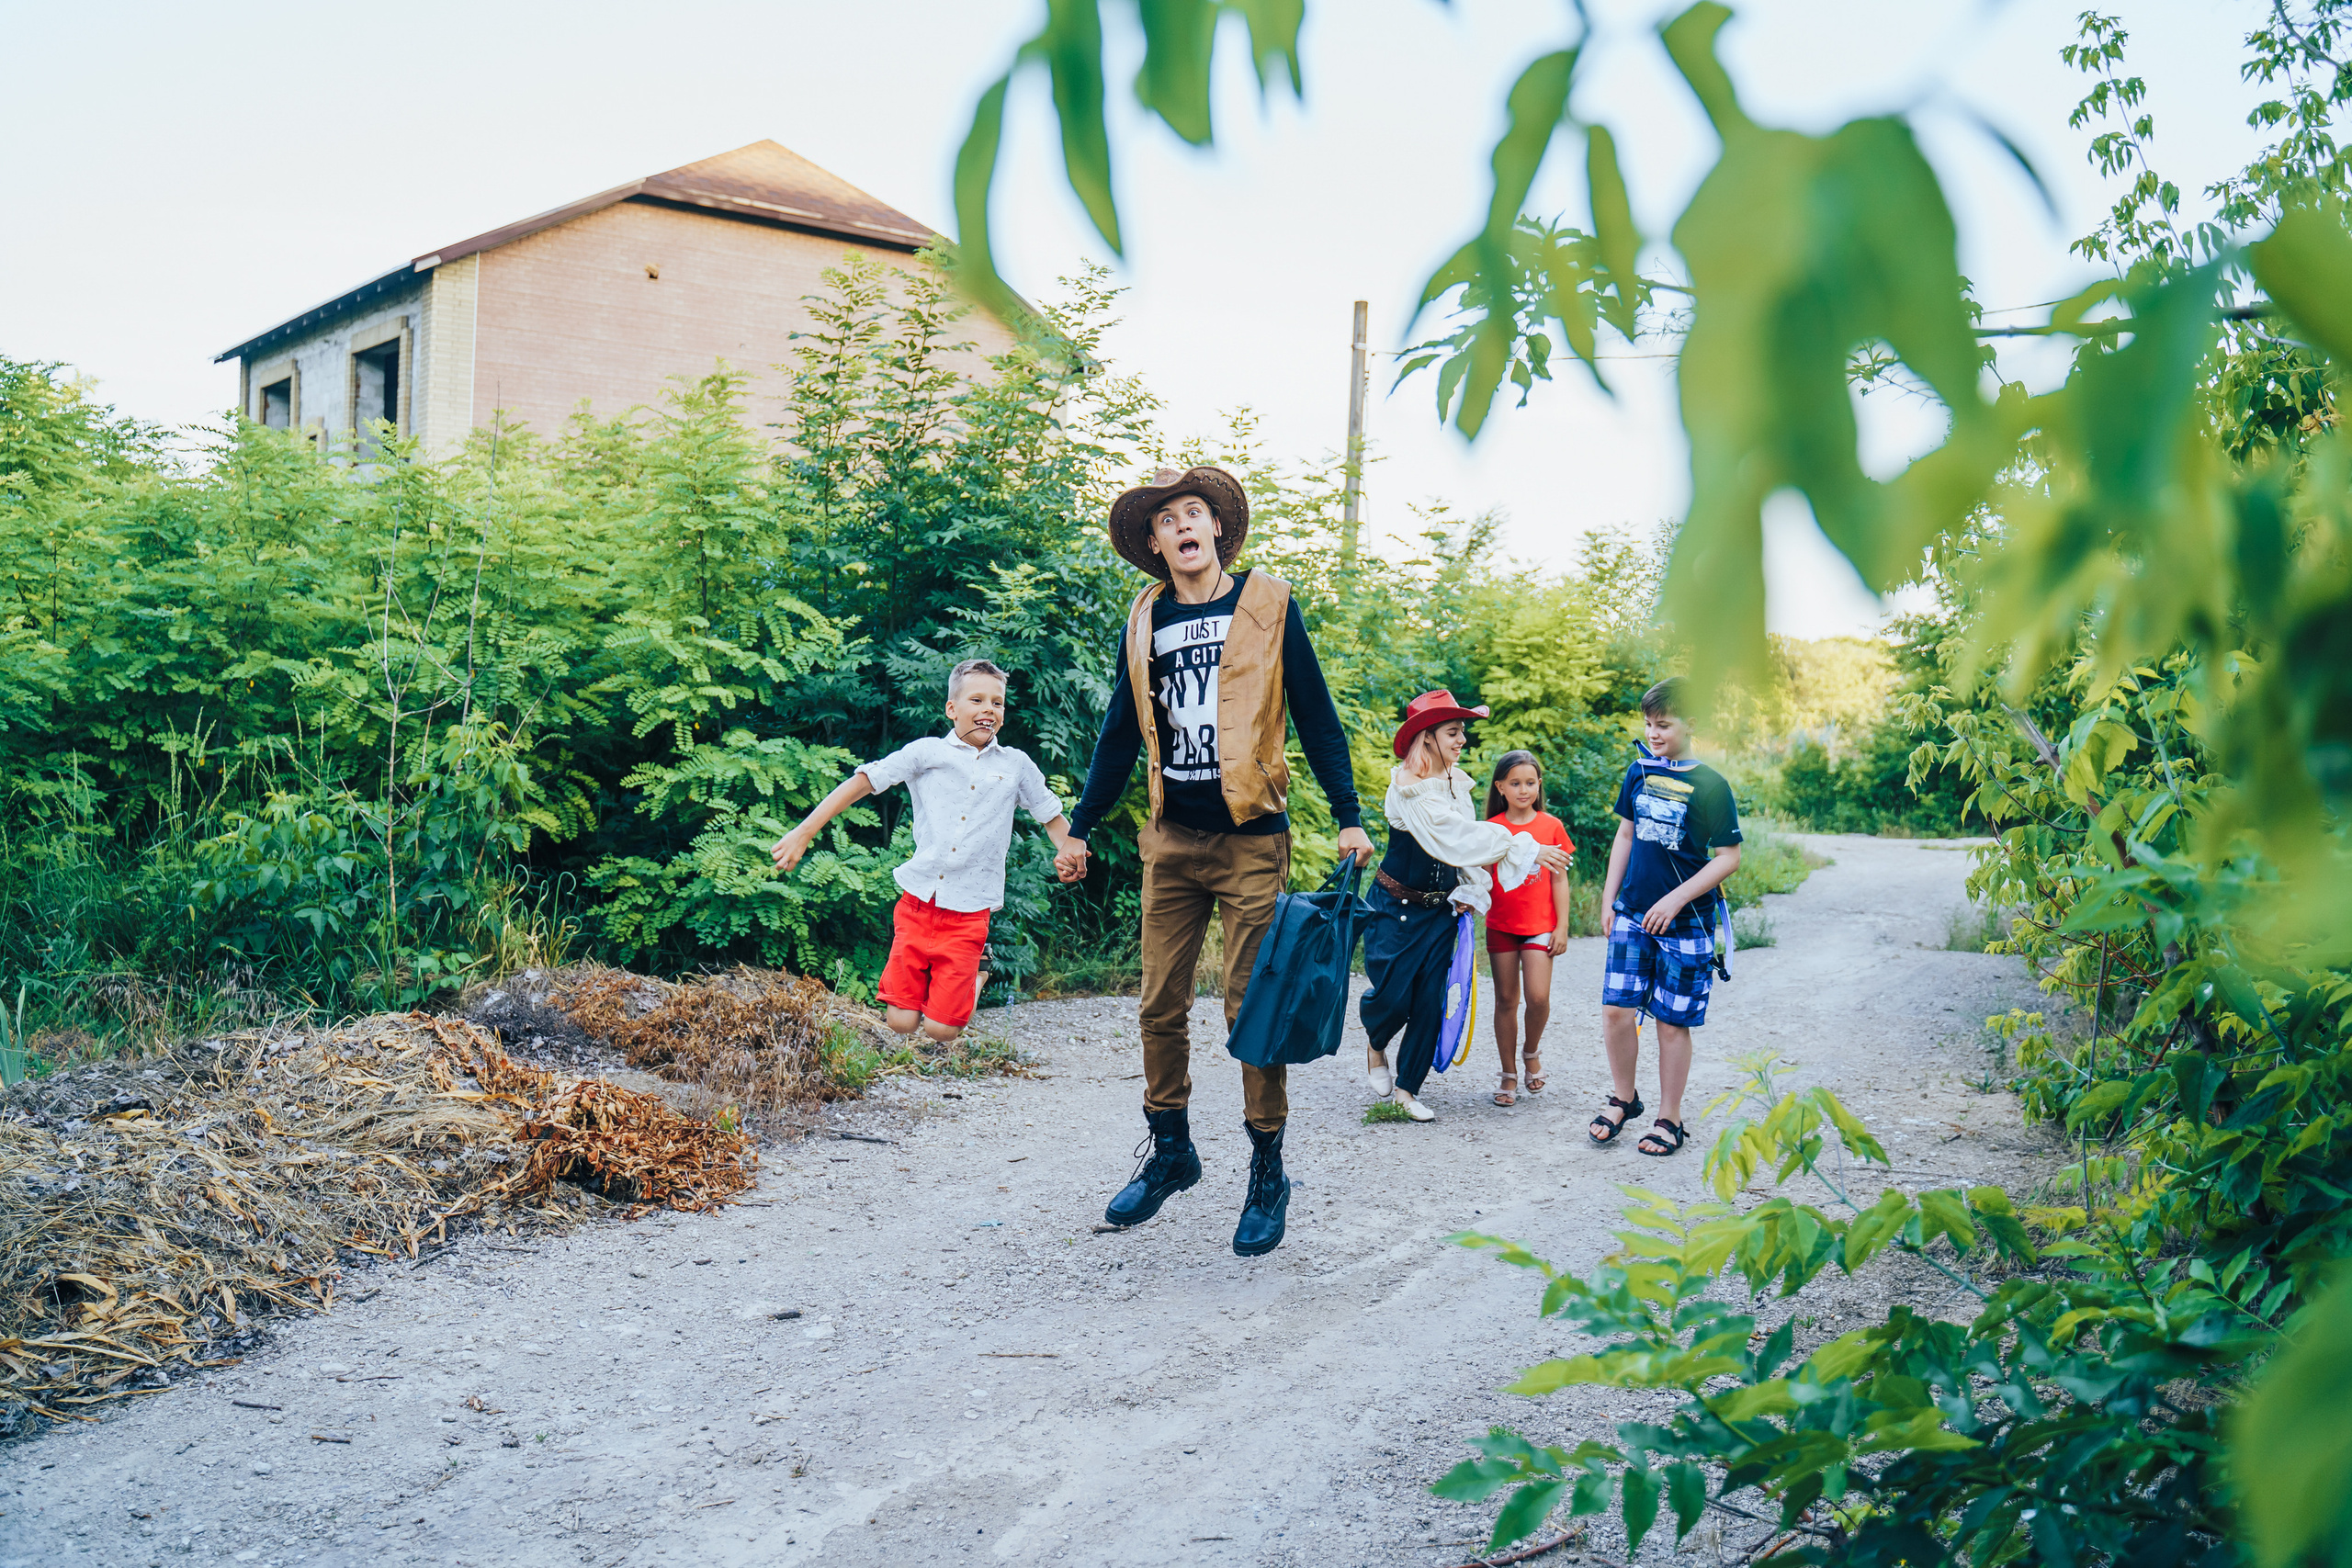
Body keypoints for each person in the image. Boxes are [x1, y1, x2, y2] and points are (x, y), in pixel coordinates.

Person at [1054, 466, 1374, 1258]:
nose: (1183, 526)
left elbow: (1317, 713)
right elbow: (1118, 734)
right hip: (1171, 840)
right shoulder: (1145, 619)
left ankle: (1268, 1166)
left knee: (1249, 1009)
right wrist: (1080, 827)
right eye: (1168, 520)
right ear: (1156, 544)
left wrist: (1349, 817)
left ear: (1218, 530)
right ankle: (1172, 1149)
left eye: (1194, 513)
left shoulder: (1267, 603)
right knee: (1158, 1003)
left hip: (1250, 840)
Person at [771, 659, 1078, 1043]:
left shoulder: (1015, 765)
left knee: (942, 1030)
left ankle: (978, 971)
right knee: (901, 1022)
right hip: (918, 902)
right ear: (952, 709)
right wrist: (804, 831)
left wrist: (1070, 849)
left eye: (997, 703)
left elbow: (1051, 815)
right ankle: (956, 982)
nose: (988, 710)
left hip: (969, 911)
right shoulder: (927, 752)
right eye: (977, 700)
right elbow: (865, 780)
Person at [1360, 694, 1573, 1122]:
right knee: (1394, 998)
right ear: (1428, 737)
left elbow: (1467, 855)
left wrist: (1470, 893)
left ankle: (1407, 1090)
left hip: (1441, 909)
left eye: (1462, 733)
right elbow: (1454, 837)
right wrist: (1524, 848)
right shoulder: (1407, 786)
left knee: (1430, 1000)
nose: (1462, 741)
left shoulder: (1459, 782)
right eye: (1453, 733)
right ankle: (1376, 1043)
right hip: (1397, 908)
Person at [1589, 676, 1743, 1157]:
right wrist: (1609, 899)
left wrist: (1675, 899)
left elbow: (1728, 857)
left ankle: (1669, 1119)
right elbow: (1625, 837)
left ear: (1691, 723)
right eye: (1649, 725)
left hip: (1686, 921)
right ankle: (1624, 1099)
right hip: (1633, 913)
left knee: (1670, 1022)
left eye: (1664, 725)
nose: (1653, 734)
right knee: (1616, 1011)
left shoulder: (1712, 785)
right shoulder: (1638, 771)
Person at [1482, 750, 1574, 1107]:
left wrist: (1562, 926)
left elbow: (1560, 880)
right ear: (1500, 787)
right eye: (1516, 783)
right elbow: (1480, 877)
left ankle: (1531, 1050)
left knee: (1537, 997)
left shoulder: (1551, 827)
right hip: (1501, 925)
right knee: (1506, 999)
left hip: (1539, 926)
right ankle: (1508, 1073)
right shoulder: (1491, 829)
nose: (1524, 790)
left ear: (1539, 785)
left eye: (1530, 783)